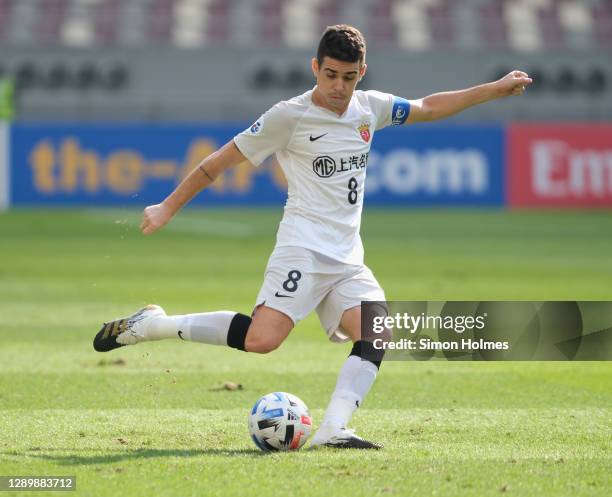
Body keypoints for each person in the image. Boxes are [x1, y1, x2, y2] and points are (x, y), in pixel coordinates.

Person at [93, 25, 532, 449]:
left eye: (347, 76)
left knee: (377, 334)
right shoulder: (290, 115)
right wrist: (168, 205)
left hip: (347, 258)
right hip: (302, 249)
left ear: (361, 72)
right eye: (329, 75)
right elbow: (219, 163)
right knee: (262, 341)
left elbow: (429, 106)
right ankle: (151, 324)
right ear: (315, 67)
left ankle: (333, 428)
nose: (338, 86)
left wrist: (493, 89)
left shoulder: (370, 108)